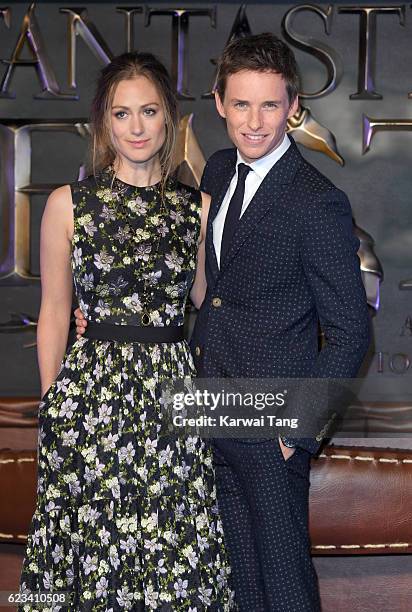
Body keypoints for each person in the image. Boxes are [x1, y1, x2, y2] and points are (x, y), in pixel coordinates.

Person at [76, 35, 371, 611]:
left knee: (285, 584)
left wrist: (296, 434)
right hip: (207, 409)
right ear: (218, 102)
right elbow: (205, 292)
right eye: (241, 104)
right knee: (238, 586)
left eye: (269, 105)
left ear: (292, 107)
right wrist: (109, 318)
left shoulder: (317, 202)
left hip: (272, 425)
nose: (254, 122)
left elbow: (351, 331)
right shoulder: (214, 172)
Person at [20, 52, 235, 611]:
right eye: (122, 113)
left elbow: (212, 306)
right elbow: (54, 311)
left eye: (148, 111)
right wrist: (53, 404)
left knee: (176, 550)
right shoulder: (69, 206)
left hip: (173, 395)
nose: (136, 127)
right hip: (91, 399)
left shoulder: (199, 209)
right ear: (103, 121)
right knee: (91, 553)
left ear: (169, 118)